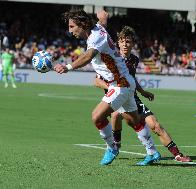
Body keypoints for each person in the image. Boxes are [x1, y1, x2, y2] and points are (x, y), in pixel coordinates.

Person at [54, 10, 141, 165]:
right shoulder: (97, 28)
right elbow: (101, 21)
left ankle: (112, 147)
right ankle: (153, 151)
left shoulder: (96, 37)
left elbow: (88, 56)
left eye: (72, 26)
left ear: (82, 24)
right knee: (136, 121)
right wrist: (103, 16)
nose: (70, 31)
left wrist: (68, 66)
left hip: (120, 84)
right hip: (123, 81)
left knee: (97, 116)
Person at [95, 25, 191, 163]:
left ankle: (177, 154)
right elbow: (96, 80)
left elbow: (131, 79)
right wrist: (110, 87)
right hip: (116, 98)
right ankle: (115, 147)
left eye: (128, 41)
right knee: (115, 115)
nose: (125, 44)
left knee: (155, 125)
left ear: (133, 43)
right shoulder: (112, 59)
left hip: (132, 98)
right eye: (122, 41)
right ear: (118, 43)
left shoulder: (134, 59)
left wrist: (143, 92)